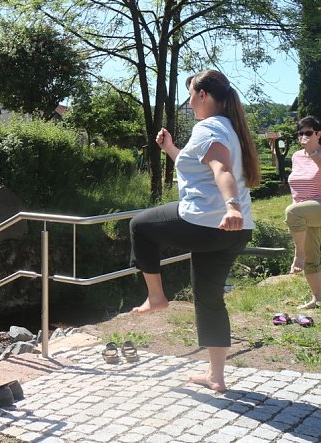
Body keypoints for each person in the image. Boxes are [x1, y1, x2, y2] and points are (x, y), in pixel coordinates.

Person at [130, 70, 259, 393]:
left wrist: (232, 207)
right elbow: (199, 170)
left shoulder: (209, 127)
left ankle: (157, 297)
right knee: (210, 299)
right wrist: (171, 149)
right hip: (234, 231)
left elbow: (222, 170)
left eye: (191, 95)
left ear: (203, 95)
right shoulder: (228, 127)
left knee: (140, 226)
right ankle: (216, 375)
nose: (189, 103)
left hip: (210, 221)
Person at [284, 116, 321, 309]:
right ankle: (318, 299)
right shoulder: (296, 157)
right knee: (312, 259)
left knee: (292, 212)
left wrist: (314, 154)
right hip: (304, 211)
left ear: (318, 134)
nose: (304, 136)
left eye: (308, 133)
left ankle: (298, 254)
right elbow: (296, 187)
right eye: (301, 133)